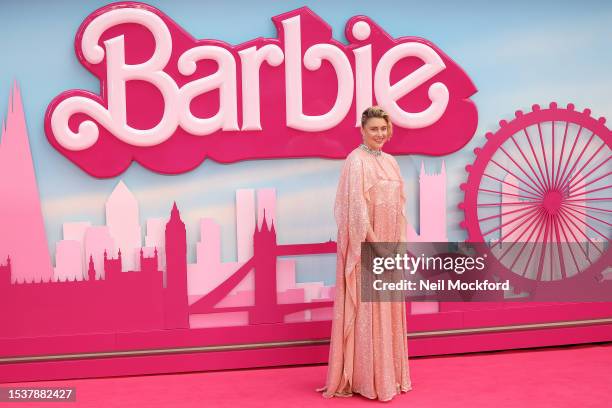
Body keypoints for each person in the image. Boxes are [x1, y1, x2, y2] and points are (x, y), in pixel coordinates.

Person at [318, 106, 412, 401]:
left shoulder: (392, 162)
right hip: (367, 249)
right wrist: (376, 248)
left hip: (390, 247)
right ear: (362, 130)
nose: (380, 134)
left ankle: (389, 376)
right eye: (373, 129)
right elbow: (356, 211)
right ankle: (366, 379)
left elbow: (400, 207)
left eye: (383, 129)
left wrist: (398, 244)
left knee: (387, 310)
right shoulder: (355, 162)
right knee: (369, 312)